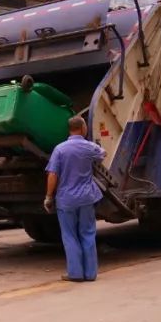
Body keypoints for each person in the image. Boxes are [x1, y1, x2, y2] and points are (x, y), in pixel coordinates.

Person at [45, 116, 105, 282]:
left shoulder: (59, 150)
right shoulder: (89, 147)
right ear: (83, 128)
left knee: (69, 236)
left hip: (66, 200)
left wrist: (49, 196)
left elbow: (52, 174)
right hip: (86, 198)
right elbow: (102, 155)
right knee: (88, 233)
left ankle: (76, 273)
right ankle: (90, 274)